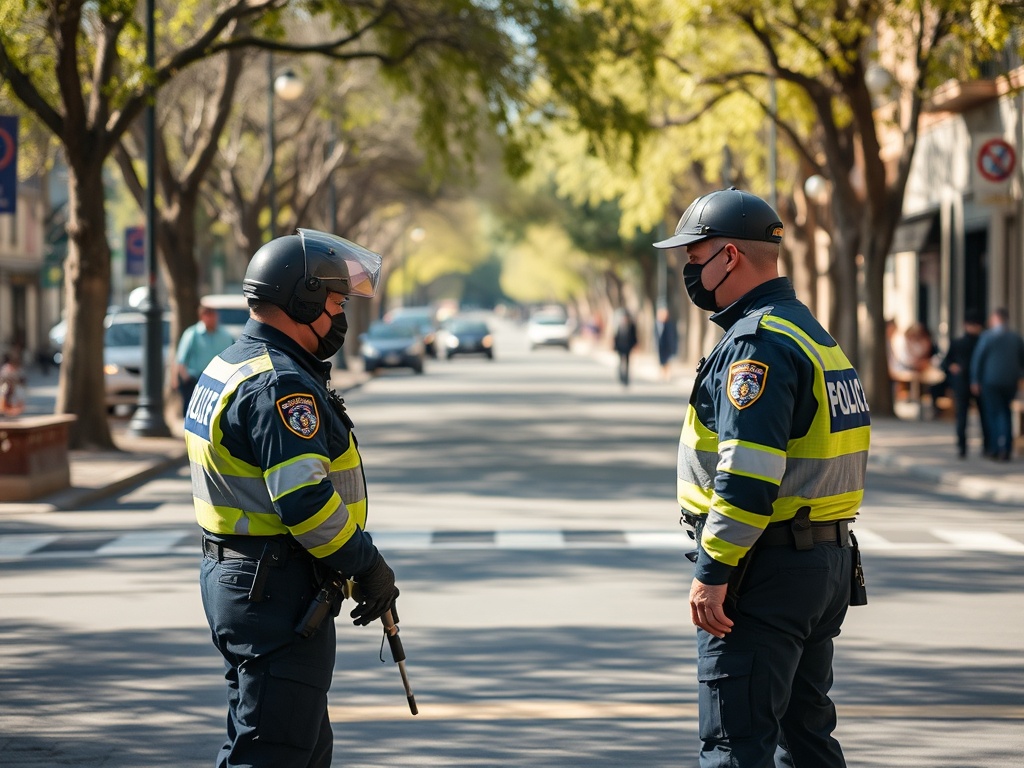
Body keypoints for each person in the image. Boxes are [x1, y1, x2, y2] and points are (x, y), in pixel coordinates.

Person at [653, 187, 869, 767]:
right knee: (804, 742)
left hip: (763, 571)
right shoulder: (810, 334)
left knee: (735, 745)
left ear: (729, 257)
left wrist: (713, 571)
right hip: (820, 563)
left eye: (694, 258)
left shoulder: (757, 344)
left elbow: (748, 476)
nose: (688, 271)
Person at [184, 228, 401, 767]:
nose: (341, 318)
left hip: (243, 581)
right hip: (274, 591)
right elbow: (305, 501)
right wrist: (365, 563)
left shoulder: (233, 363)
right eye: (334, 303)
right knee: (270, 755)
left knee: (291, 746)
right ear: (301, 299)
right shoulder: (281, 386)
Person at [970, 307, 1024, 461]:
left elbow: (978, 360)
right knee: (1005, 413)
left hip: (991, 381)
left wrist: (975, 380)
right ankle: (1006, 448)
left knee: (994, 414)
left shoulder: (988, 337)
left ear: (996, 319)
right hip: (1010, 382)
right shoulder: (1015, 337)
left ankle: (995, 448)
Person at [940, 310, 987, 458]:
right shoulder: (959, 343)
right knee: (963, 417)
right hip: (963, 384)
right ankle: (962, 447)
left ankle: (984, 445)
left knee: (982, 416)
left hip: (977, 384)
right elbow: (945, 363)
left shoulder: (983, 343)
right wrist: (952, 367)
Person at [175, 301, 235, 417]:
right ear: (202, 317)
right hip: (195, 380)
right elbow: (181, 359)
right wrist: (186, 380)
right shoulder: (192, 334)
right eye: (209, 315)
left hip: (219, 380)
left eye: (214, 315)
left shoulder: (225, 335)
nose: (213, 319)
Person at [613, 308, 638, 386]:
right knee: (620, 362)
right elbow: (616, 337)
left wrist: (635, 345)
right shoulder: (619, 326)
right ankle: (621, 376)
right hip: (620, 347)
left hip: (628, 347)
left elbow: (635, 337)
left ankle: (626, 378)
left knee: (627, 363)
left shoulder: (632, 326)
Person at [655, 305, 678, 381]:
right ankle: (662, 373)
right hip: (660, 346)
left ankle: (667, 374)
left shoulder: (669, 325)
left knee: (667, 359)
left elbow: (672, 336)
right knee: (661, 360)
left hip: (667, 345)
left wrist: (673, 345)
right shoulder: (657, 324)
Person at [0, 352, 26, 416]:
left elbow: (22, 379)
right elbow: (2, 378)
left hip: (16, 385)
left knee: (19, 393)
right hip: (7, 385)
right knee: (4, 392)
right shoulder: (5, 369)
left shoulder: (18, 369)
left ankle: (15, 409)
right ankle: (5, 409)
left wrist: (16, 381)